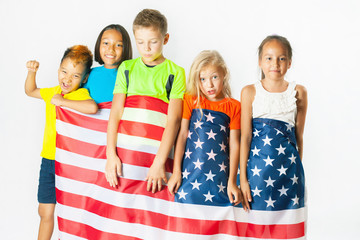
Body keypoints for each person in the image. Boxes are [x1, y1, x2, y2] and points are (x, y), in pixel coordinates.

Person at [105, 9, 186, 194]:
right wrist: (110, 154)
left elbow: (173, 120)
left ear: (165, 39)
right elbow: (115, 113)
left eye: (153, 42)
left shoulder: (176, 72)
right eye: (140, 42)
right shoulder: (126, 68)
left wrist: (159, 163)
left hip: (156, 157)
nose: (146, 48)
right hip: (125, 156)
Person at [25, 45, 98, 240]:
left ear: (84, 79)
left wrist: (63, 102)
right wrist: (32, 72)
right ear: (58, 70)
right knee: (45, 211)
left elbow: (92, 108)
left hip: (70, 163)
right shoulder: (53, 91)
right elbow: (30, 91)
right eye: (64, 72)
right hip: (49, 160)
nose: (67, 79)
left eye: (75, 76)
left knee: (72, 212)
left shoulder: (80, 94)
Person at [240, 35, 307, 238]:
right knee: (257, 228)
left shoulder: (299, 92)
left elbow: (299, 137)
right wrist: (243, 178)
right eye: (269, 58)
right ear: (260, 61)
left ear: (289, 62)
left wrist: (296, 172)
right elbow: (245, 138)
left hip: (289, 174)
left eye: (281, 58)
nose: (275, 64)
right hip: (257, 174)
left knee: (288, 229)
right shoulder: (250, 92)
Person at [168, 50, 243, 207]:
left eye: (214, 77)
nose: (209, 85)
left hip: (220, 177)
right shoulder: (190, 100)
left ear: (224, 74)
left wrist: (232, 182)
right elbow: (182, 136)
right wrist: (176, 172)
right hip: (190, 174)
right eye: (202, 79)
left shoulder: (234, 106)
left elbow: (235, 145)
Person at [84, 24, 132, 104]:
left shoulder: (130, 76)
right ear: (99, 45)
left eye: (118, 45)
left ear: (125, 49)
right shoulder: (88, 74)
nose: (111, 49)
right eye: (106, 43)